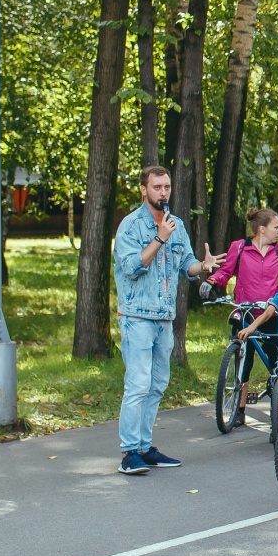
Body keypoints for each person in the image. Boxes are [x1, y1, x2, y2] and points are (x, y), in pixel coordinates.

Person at [113, 167, 227, 475]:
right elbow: (132, 267)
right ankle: (128, 453)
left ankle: (144, 447)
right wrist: (160, 238)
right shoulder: (131, 226)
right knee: (137, 384)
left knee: (157, 384)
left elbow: (185, 265)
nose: (163, 192)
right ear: (143, 190)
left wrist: (202, 266)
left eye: (167, 187)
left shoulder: (176, 225)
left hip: (164, 318)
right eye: (157, 186)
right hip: (137, 317)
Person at [205, 207, 278, 426]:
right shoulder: (240, 247)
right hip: (244, 314)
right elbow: (225, 271)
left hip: (270, 314)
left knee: (275, 361)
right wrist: (212, 281)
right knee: (244, 361)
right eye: (276, 227)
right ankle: (239, 410)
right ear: (262, 229)